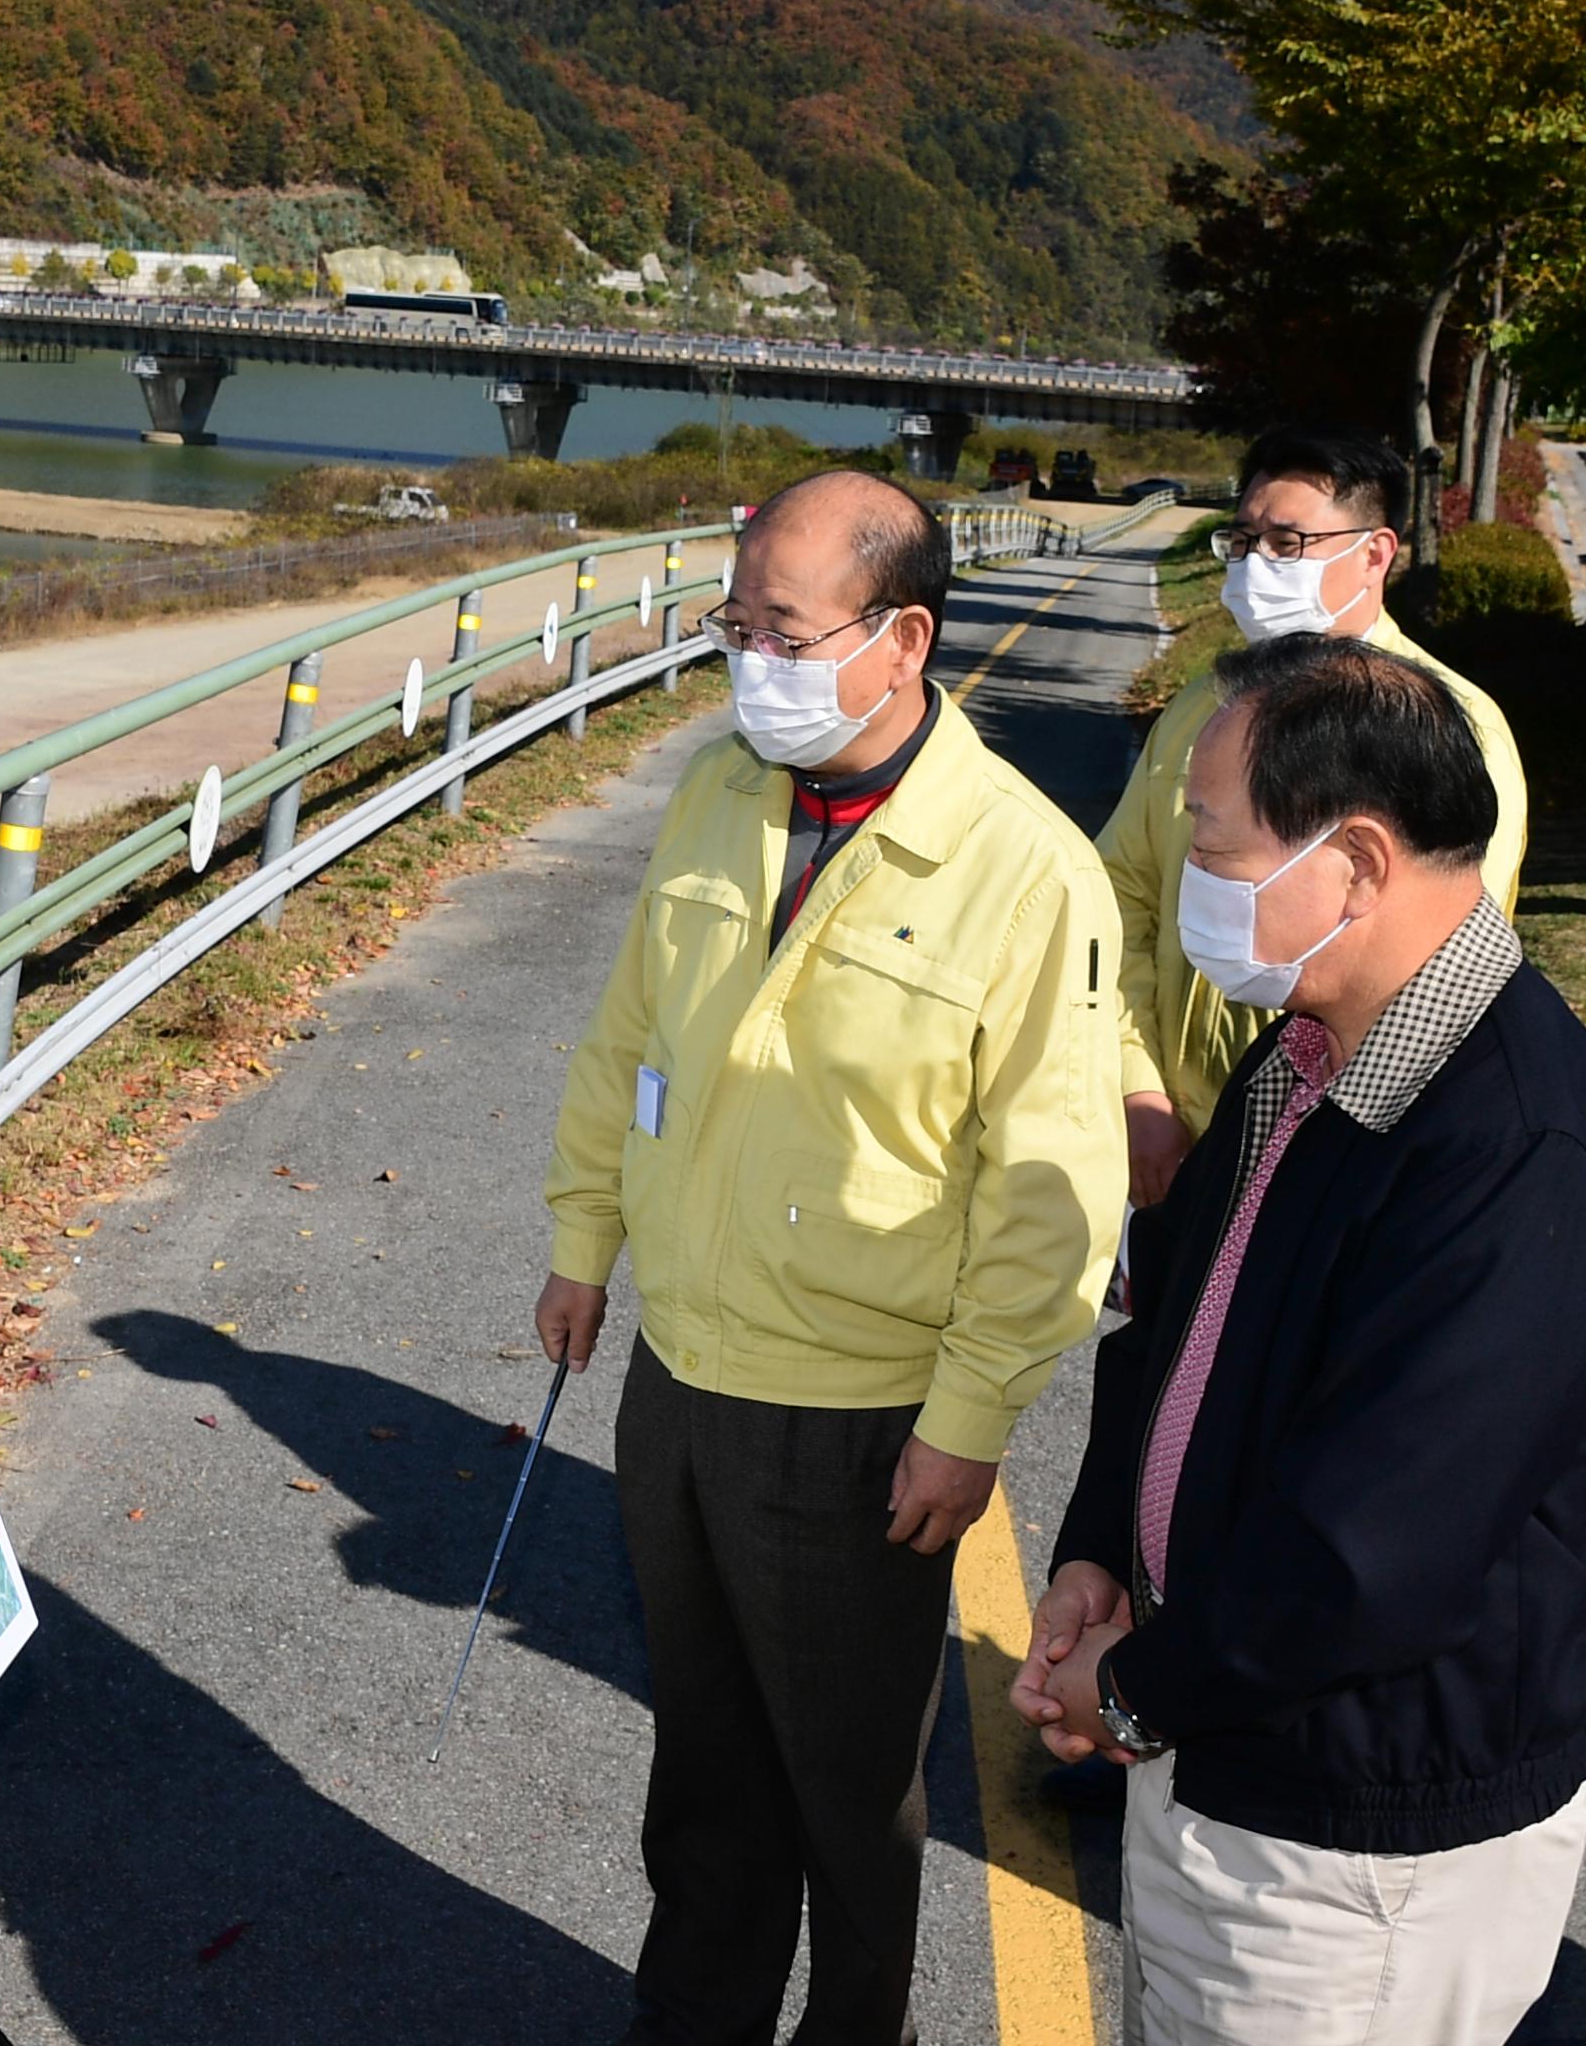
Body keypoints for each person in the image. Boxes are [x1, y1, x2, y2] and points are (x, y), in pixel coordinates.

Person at [539, 468, 1128, 2046]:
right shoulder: (720, 794)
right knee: (706, 1772)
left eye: (782, 632)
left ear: (905, 636)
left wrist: (971, 1413)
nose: (751, 663)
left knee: (850, 1796)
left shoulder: (1023, 868)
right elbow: (627, 1039)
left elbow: (1051, 1187)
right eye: (736, 625)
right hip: (681, 1374)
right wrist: (582, 1236)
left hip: (864, 1417)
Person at [1013, 632, 1586, 2046]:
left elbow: (1372, 1550)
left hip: (1356, 1853)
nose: (1189, 873)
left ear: (1357, 863)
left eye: (1212, 838)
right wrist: (1095, 1555)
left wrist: (1130, 1692)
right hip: (1231, 1756)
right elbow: (1172, 1321)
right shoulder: (1313, 1052)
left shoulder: (1516, 1154)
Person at [1103, 429, 1530, 1210]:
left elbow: (1436, 969)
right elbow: (1118, 895)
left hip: (1331, 1156)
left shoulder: (1448, 726)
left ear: (1375, 555)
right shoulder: (1208, 705)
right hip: (1179, 1146)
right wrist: (1138, 1089)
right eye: (1242, 539)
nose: (1254, 563)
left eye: (1288, 542)